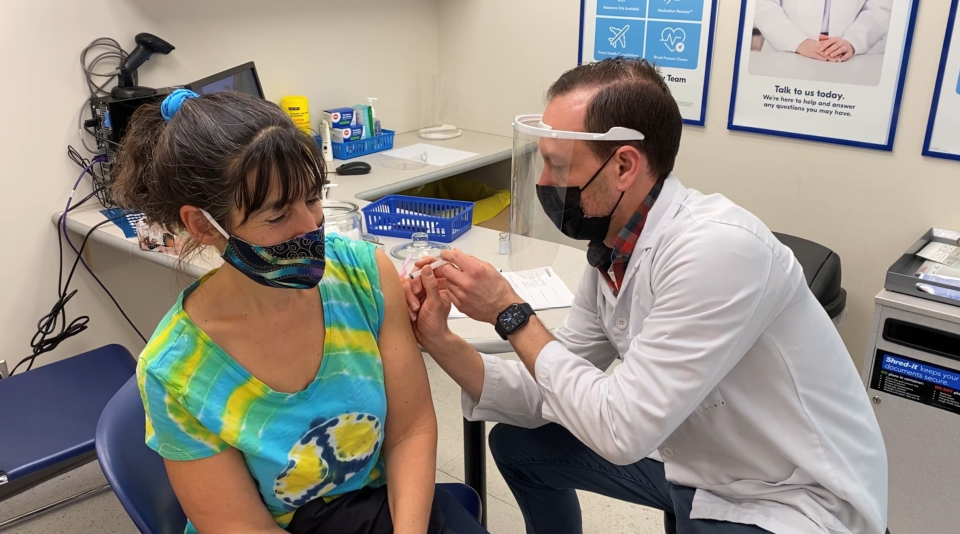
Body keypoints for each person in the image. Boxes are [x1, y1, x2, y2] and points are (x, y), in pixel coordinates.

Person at [402, 58, 887, 534]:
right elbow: (545, 384)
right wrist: (440, 339)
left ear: (625, 166)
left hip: (788, 495)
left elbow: (620, 430)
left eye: (558, 163)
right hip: (693, 460)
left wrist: (510, 313)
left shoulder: (719, 250)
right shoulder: (613, 252)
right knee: (519, 445)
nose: (544, 181)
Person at [112, 89, 487, 534]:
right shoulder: (177, 371)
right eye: (277, 216)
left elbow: (411, 431)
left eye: (312, 198)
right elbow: (242, 527)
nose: (311, 227)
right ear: (202, 225)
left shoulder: (364, 276)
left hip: (382, 510)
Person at [754, 0, 892, 62]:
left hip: (848, 57)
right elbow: (762, 4)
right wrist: (798, 42)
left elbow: (879, 9)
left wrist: (853, 41)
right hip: (786, 52)